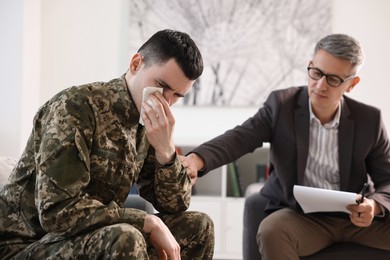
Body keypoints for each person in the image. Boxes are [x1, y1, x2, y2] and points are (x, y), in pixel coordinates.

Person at [0, 29, 214, 260]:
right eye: (161, 85)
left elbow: (175, 205)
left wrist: (166, 151)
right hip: (26, 245)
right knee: (126, 236)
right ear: (135, 64)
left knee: (199, 227)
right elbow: (56, 211)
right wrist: (146, 221)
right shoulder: (74, 107)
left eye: (177, 96)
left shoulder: (146, 125)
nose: (166, 102)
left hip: (85, 236)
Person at [182, 34, 390, 259]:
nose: (320, 85)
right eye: (316, 73)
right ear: (310, 65)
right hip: (301, 218)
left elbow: (387, 179)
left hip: (354, 219)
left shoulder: (369, 120)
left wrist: (374, 206)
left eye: (333, 79)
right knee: (272, 230)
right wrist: (197, 159)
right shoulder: (281, 106)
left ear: (351, 84)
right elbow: (240, 137)